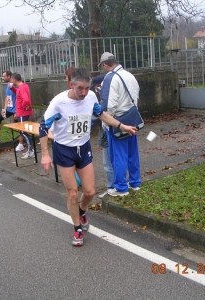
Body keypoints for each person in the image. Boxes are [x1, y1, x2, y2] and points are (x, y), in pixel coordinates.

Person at [39, 68, 137, 246]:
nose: (84, 92)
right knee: (73, 192)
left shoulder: (91, 97)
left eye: (87, 88)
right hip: (64, 150)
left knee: (90, 191)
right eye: (80, 89)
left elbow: (101, 114)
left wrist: (121, 126)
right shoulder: (59, 103)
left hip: (83, 148)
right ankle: (77, 228)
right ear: (71, 84)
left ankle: (82, 211)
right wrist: (45, 154)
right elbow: (43, 127)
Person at [99, 52, 141, 197]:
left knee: (118, 156)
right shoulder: (130, 75)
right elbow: (136, 96)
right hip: (132, 118)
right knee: (132, 154)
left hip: (117, 122)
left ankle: (121, 187)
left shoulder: (110, 78)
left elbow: (109, 105)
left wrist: (106, 122)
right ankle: (135, 183)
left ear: (105, 65)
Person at [90, 75, 115, 198]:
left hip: (108, 130)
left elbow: (98, 114)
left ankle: (111, 187)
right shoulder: (109, 93)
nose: (96, 90)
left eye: (97, 87)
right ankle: (119, 183)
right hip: (114, 129)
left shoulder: (106, 97)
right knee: (116, 159)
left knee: (108, 162)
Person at [9, 72, 34, 159]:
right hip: (22, 113)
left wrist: (23, 107)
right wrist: (12, 88)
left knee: (23, 132)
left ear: (15, 79)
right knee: (23, 132)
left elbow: (26, 100)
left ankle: (31, 150)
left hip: (23, 113)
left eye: (12, 79)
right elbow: (19, 94)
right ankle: (29, 150)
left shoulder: (22, 88)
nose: (11, 81)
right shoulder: (23, 86)